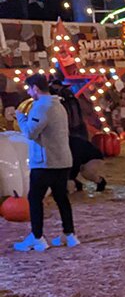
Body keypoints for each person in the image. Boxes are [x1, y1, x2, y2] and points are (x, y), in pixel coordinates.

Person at [13, 73, 77, 251]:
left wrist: (21, 117)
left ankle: (37, 237)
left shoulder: (41, 107)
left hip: (45, 162)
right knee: (61, 198)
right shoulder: (59, 105)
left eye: (29, 88)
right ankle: (69, 234)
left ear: (35, 88)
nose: (28, 92)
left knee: (34, 199)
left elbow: (30, 133)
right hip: (63, 160)